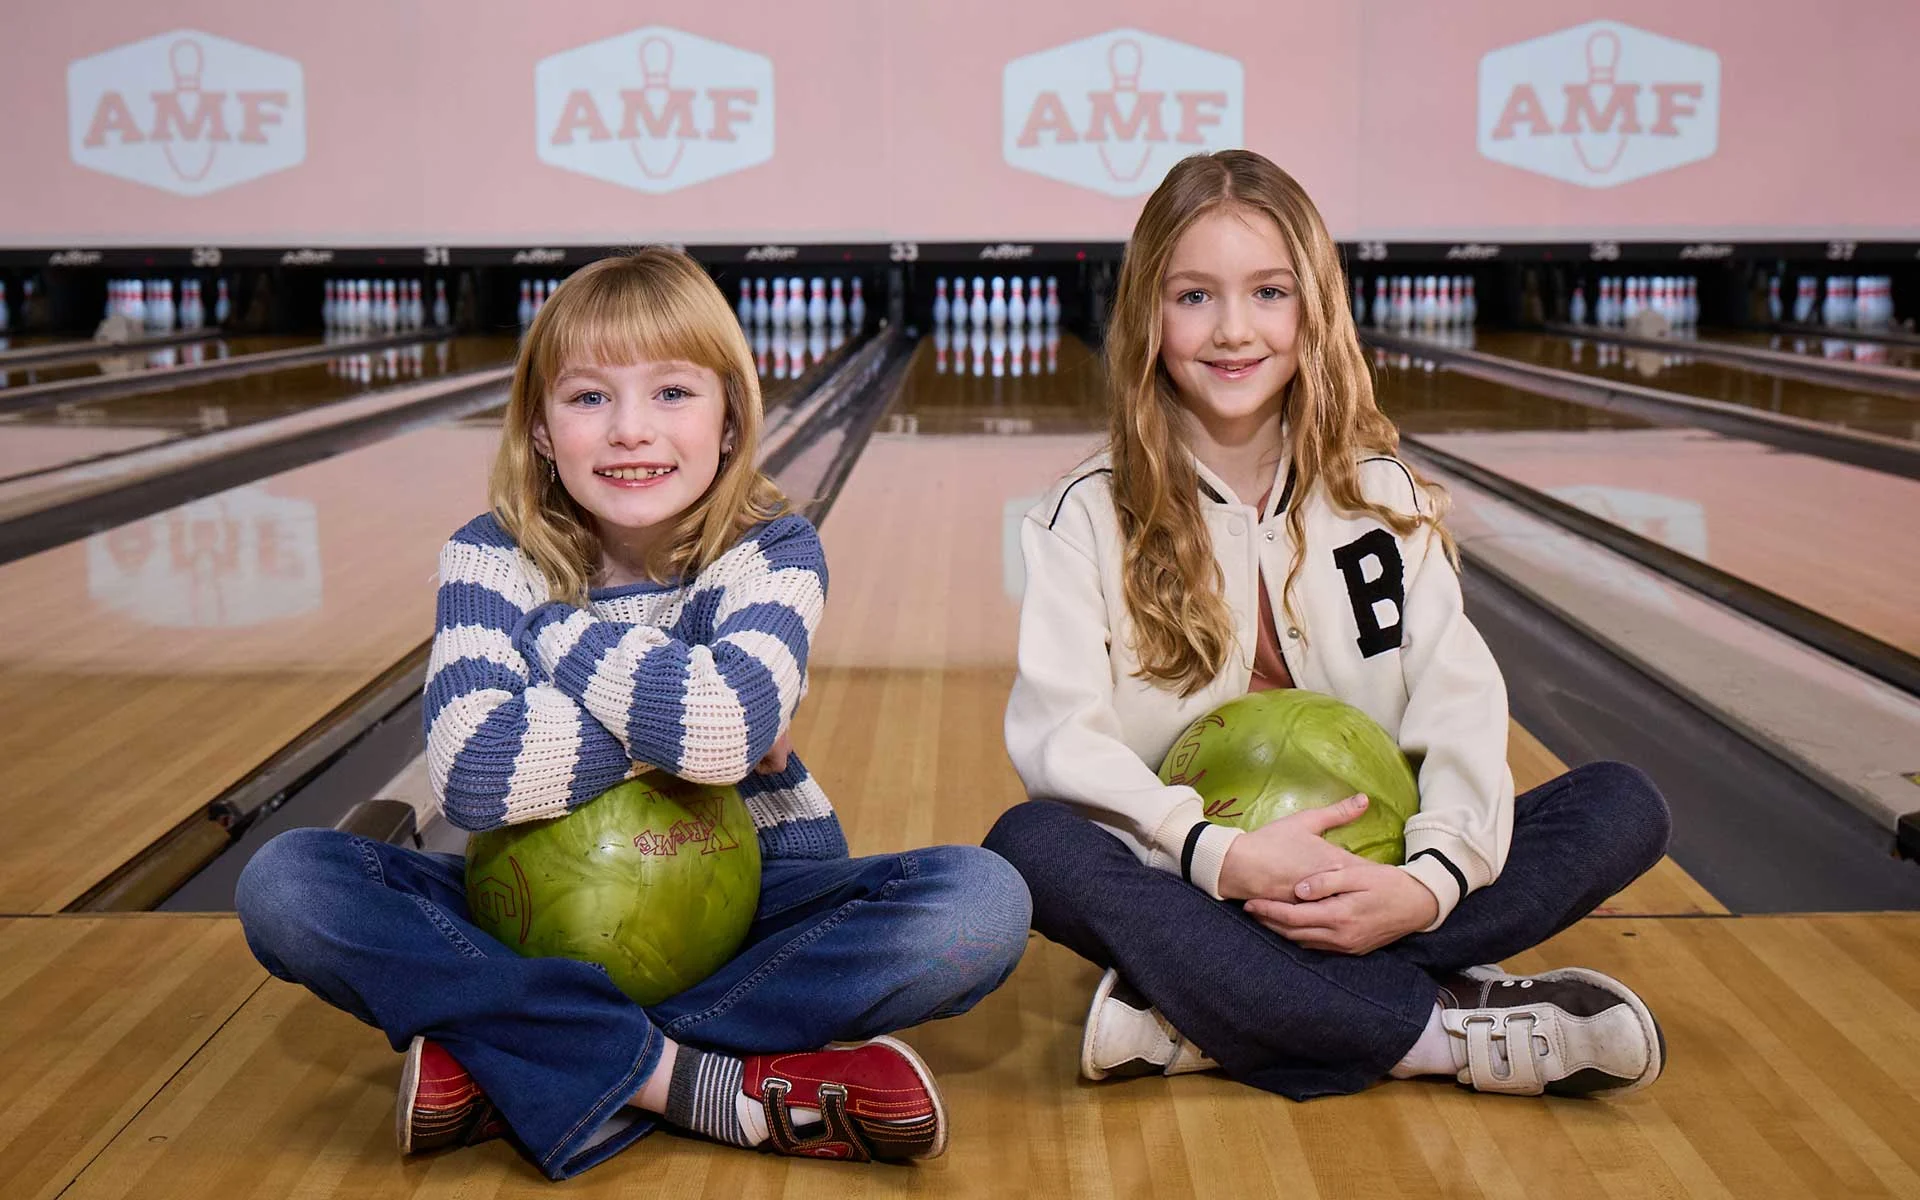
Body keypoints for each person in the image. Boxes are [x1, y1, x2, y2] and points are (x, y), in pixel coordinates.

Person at [236, 250, 1031, 1180]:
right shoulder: (489, 557)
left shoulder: (772, 552)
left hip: (745, 908)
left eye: (671, 393)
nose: (628, 431)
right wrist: (687, 706)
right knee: (287, 883)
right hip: (519, 911)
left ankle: (520, 1056)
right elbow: (477, 773)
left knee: (981, 903)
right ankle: (687, 1079)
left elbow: (728, 737)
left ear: (730, 419)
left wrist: (556, 639)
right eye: (587, 400)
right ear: (538, 426)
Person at [983, 151, 1671, 1102]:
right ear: (1147, 313)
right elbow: (1063, 746)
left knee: (1623, 804)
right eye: (1193, 296)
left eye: (1268, 292)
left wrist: (1424, 885)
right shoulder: (1084, 518)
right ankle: (1440, 1032)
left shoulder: (1381, 500)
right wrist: (1225, 857)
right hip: (1195, 880)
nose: (1233, 330)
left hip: (1380, 879)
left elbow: (1458, 704)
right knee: (1033, 844)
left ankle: (1210, 1011)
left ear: (1314, 309)